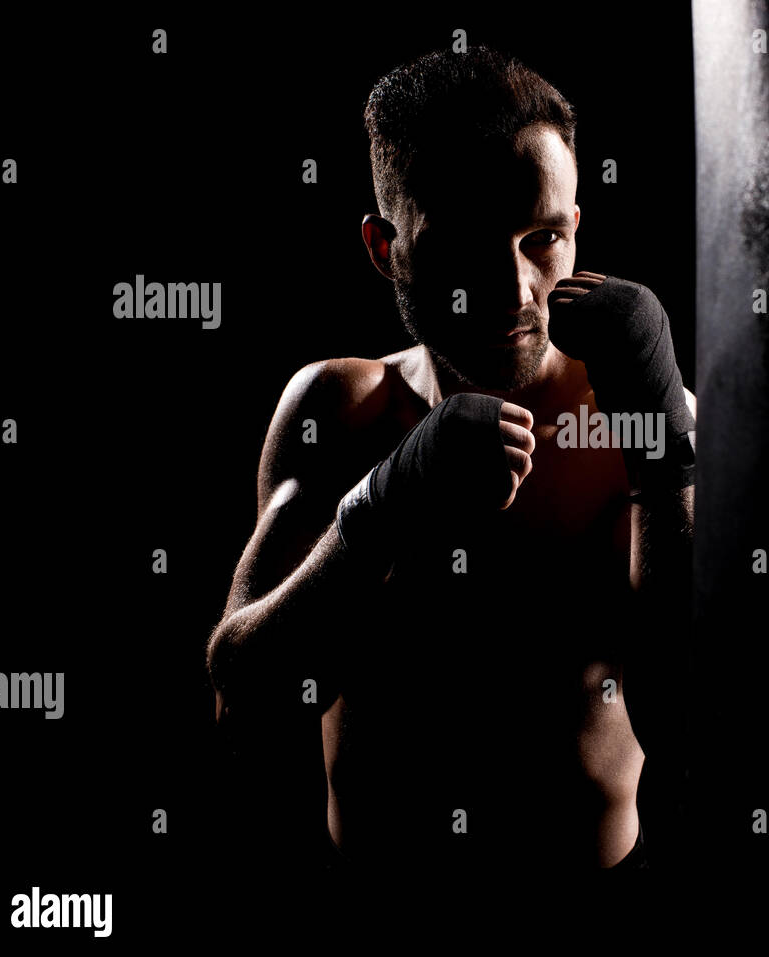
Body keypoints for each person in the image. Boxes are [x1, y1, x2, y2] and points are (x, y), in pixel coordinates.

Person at [205, 45, 695, 875]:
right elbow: (243, 708)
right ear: (383, 246)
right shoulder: (341, 409)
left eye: (542, 238)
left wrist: (661, 462)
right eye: (464, 245)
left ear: (576, 226)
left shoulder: (643, 415)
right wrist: (381, 509)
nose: (514, 290)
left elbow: (694, 730)